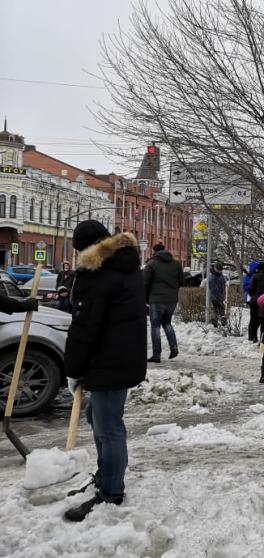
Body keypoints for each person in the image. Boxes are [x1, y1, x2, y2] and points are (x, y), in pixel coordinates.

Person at [62, 220, 147, 522]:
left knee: (108, 427)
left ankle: (111, 491)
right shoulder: (125, 264)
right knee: (95, 417)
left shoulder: (96, 273)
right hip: (122, 357)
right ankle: (105, 474)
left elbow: (85, 327)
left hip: (107, 361)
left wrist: (73, 369)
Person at [143, 243, 184, 363]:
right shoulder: (176, 264)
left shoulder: (151, 264)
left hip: (156, 299)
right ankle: (174, 347)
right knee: (167, 323)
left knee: (155, 326)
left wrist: (146, 299)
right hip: (171, 300)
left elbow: (145, 283)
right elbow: (182, 281)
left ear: (154, 252)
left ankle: (157, 354)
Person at [208, 263, 227, 327]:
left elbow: (223, 286)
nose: (220, 271)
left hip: (220, 297)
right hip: (215, 297)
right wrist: (218, 298)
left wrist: (223, 295)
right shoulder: (213, 277)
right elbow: (214, 290)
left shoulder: (220, 275)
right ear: (215, 268)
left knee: (218, 310)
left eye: (221, 270)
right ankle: (218, 324)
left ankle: (218, 324)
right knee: (219, 309)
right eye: (219, 270)